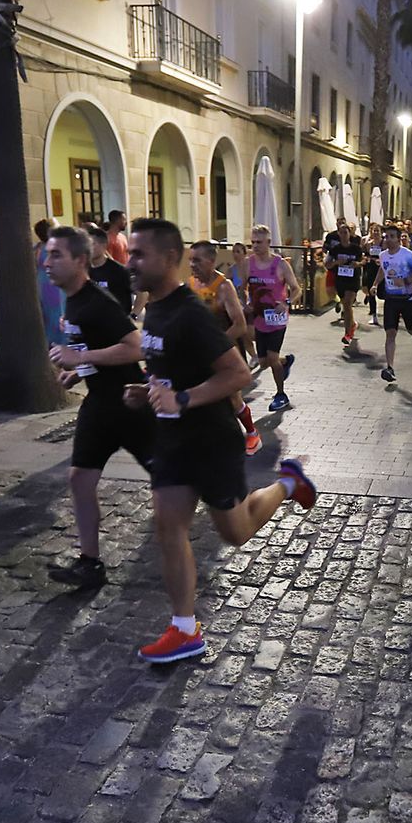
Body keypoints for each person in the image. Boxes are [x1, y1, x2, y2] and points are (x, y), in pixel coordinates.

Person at [124, 218, 318, 662]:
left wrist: (184, 397)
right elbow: (165, 367)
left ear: (168, 259)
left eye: (139, 254)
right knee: (168, 527)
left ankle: (288, 483)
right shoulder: (154, 309)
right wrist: (148, 390)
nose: (130, 262)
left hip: (212, 440)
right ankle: (184, 628)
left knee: (236, 533)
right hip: (173, 438)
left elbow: (236, 373)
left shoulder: (191, 312)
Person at [40, 226, 154, 588]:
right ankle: (90, 562)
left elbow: (136, 347)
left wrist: (81, 356)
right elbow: (98, 349)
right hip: (101, 405)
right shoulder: (71, 299)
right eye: (47, 254)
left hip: (130, 403)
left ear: (80, 260)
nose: (47, 262)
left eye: (56, 255)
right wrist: (80, 371)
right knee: (80, 478)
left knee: (171, 480)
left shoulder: (97, 301)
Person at [189, 241, 262, 455]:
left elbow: (239, 325)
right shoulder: (191, 285)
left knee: (231, 397)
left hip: (224, 350)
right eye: (190, 260)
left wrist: (215, 346)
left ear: (211, 262)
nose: (192, 265)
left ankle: (252, 433)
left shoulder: (224, 286)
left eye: (197, 260)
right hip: (200, 353)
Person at [243, 225, 301, 412]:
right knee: (263, 362)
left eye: (259, 242)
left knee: (272, 357)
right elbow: (241, 288)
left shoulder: (281, 264)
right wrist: (245, 303)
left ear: (268, 243)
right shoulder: (248, 263)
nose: (255, 246)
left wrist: (286, 303)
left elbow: (297, 289)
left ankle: (280, 394)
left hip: (277, 318)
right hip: (259, 318)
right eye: (252, 242)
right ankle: (285, 361)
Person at [375, 223, 412, 384]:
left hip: (408, 300)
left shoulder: (408, 255)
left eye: (391, 237)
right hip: (391, 300)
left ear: (398, 239)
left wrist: (404, 281)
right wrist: (375, 284)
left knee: (410, 328)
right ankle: (390, 368)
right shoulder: (382, 255)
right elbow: (382, 269)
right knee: (390, 333)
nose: (388, 240)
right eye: (386, 237)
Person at [325, 221, 366, 346]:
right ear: (339, 234)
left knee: (347, 303)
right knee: (346, 305)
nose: (343, 235)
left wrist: (357, 264)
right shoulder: (335, 249)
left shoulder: (355, 248)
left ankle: (348, 334)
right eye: (341, 233)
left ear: (350, 234)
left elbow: (364, 260)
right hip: (340, 280)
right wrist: (337, 262)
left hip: (353, 279)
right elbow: (327, 264)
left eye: (346, 232)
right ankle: (352, 325)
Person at [84, 225, 135, 314]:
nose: (88, 248)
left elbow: (142, 293)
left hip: (118, 322)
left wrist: (134, 315)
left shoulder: (119, 271)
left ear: (104, 246)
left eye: (92, 244)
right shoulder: (83, 270)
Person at [34, 219, 68, 346]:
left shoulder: (38, 247)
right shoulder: (52, 249)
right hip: (54, 285)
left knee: (49, 315)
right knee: (57, 314)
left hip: (43, 284)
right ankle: (59, 343)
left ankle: (51, 342)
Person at [362, 224, 383, 326]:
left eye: (377, 231)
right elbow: (365, 255)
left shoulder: (384, 243)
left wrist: (381, 260)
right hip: (371, 268)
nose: (375, 233)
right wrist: (367, 259)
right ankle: (374, 315)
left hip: (381, 268)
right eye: (374, 231)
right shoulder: (369, 244)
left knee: (382, 293)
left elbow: (388, 254)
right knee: (371, 291)